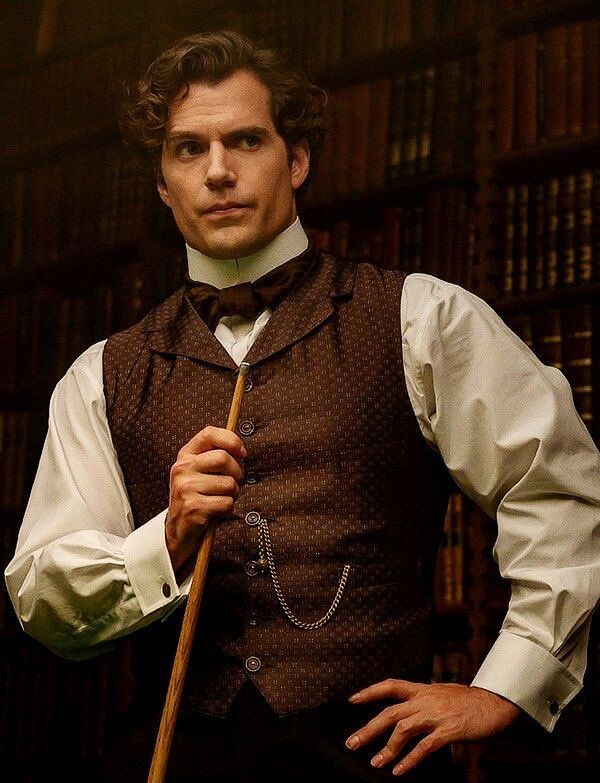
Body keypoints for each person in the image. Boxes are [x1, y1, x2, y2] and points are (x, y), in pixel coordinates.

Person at [5, 29, 599, 783]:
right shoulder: (103, 374)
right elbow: (45, 595)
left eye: (245, 140)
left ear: (298, 159)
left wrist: (506, 682)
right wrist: (168, 537)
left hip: (372, 762)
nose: (217, 171)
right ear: (162, 182)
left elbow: (563, 493)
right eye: (188, 150)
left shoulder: (421, 318)